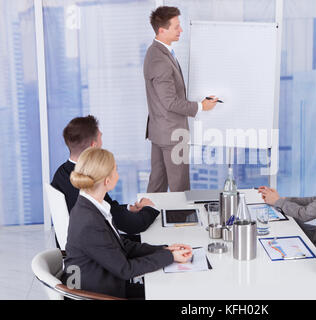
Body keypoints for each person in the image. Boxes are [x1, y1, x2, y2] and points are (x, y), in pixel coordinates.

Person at [61, 147, 192, 299]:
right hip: (98, 294)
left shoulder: (90, 206)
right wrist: (170, 257)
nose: (118, 174)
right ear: (107, 181)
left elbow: (120, 245)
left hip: (103, 282)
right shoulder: (89, 222)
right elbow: (126, 269)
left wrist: (165, 249)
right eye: (115, 170)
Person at [144, 6, 218, 193]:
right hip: (171, 135)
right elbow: (170, 102)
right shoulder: (160, 59)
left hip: (161, 131)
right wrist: (201, 106)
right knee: (180, 188)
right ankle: (182, 222)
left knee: (157, 185)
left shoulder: (157, 53)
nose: (181, 30)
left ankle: (149, 219)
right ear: (162, 30)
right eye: (176, 27)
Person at [51, 115, 158, 243]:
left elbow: (108, 208)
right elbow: (132, 225)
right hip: (94, 248)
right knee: (156, 240)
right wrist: (150, 209)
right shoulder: (87, 179)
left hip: (84, 241)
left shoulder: (63, 172)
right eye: (101, 138)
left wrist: (129, 208)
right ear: (93, 146)